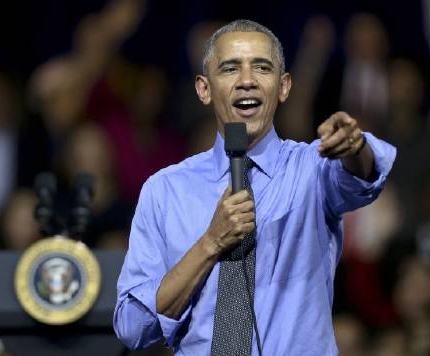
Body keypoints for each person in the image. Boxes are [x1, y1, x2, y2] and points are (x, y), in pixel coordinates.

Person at [113, 20, 396, 355]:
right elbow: (132, 327)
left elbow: (364, 176)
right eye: (230, 68)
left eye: (261, 67)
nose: (246, 81)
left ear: (283, 86)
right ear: (204, 89)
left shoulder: (311, 170)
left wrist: (354, 146)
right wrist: (210, 244)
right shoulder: (164, 191)